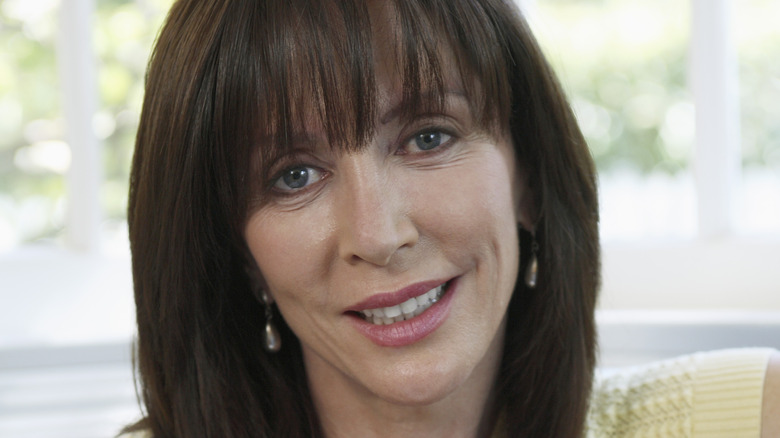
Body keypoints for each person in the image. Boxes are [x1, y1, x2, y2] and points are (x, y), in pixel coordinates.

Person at [121, 0, 779, 437]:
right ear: (240, 254)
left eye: (428, 137)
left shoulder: (749, 417)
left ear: (527, 175)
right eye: (294, 176)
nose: (378, 235)